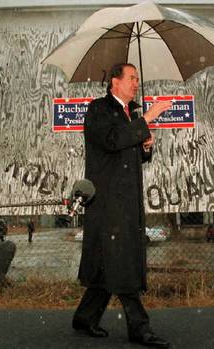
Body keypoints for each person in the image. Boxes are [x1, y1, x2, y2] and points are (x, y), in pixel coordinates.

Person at [72, 63, 172, 348]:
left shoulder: (129, 114)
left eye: (137, 79)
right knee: (123, 260)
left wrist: (146, 147)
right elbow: (112, 141)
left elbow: (128, 157)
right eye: (131, 78)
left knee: (107, 262)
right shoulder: (98, 110)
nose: (136, 83)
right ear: (114, 82)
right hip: (107, 202)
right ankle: (139, 328)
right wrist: (148, 119)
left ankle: (85, 317)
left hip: (126, 200)